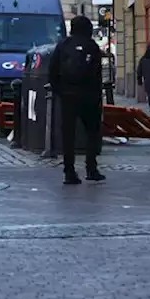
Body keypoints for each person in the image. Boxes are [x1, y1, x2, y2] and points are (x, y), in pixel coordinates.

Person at [49, 15, 105, 185]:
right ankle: (91, 168)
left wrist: (60, 90)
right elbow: (97, 74)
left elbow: (52, 71)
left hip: (68, 97)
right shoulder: (92, 46)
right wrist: (96, 95)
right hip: (89, 96)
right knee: (92, 132)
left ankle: (69, 171)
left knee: (68, 135)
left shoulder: (63, 45)